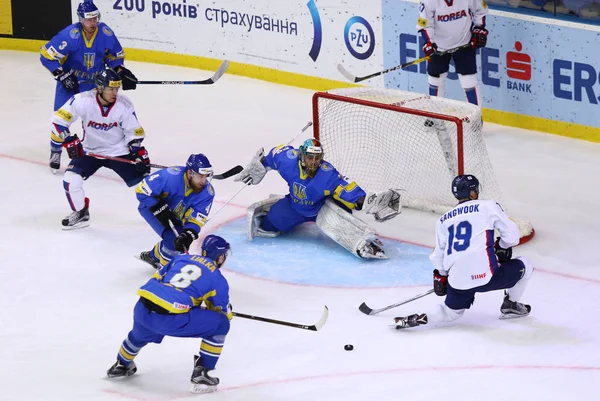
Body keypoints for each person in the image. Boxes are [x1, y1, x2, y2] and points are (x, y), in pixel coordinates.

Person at [393, 174, 534, 329]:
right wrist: (502, 246)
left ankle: (416, 318)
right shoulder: (487, 206)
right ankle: (510, 306)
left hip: (458, 281)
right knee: (525, 265)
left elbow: (437, 255)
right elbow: (512, 236)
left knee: (450, 313)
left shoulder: (443, 219)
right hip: (488, 277)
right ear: (472, 193)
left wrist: (442, 275)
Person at [107, 235, 232, 394]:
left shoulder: (180, 259)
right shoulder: (217, 277)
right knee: (221, 324)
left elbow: (159, 277)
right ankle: (202, 374)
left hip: (142, 308)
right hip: (170, 319)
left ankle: (121, 364)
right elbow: (219, 310)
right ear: (220, 256)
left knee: (138, 335)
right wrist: (226, 311)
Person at [235, 139, 402, 259]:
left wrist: (371, 203)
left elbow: (351, 192)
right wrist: (259, 166)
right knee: (266, 228)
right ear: (301, 156)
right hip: (294, 207)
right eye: (310, 157)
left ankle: (359, 238)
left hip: (322, 209)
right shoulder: (287, 160)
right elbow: (272, 155)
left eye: (317, 158)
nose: (314, 162)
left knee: (344, 217)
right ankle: (276, 209)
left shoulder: (328, 174)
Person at [41, 0, 138, 173]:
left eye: (95, 18)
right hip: (70, 83)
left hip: (95, 84)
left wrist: (121, 70)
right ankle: (55, 151)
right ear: (80, 19)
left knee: (95, 118)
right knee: (60, 119)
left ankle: (91, 149)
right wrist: (60, 74)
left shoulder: (105, 33)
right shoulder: (69, 36)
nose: (93, 23)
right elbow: (46, 56)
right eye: (89, 19)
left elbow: (113, 56)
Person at [51, 68, 150, 230]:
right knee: (71, 180)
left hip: (120, 152)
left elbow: (133, 132)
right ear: (99, 88)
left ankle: (163, 213)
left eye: (116, 89)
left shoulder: (123, 105)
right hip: (91, 152)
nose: (115, 93)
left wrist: (138, 153)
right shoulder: (82, 100)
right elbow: (58, 121)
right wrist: (68, 139)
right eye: (111, 88)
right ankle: (81, 213)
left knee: (147, 186)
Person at [135, 153, 215, 270]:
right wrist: (159, 208)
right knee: (173, 240)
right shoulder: (169, 176)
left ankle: (153, 256)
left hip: (177, 215)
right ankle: (165, 273)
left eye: (206, 176)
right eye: (200, 176)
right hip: (151, 208)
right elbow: (141, 190)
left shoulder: (207, 192)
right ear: (189, 173)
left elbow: (197, 219)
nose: (204, 181)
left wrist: (189, 234)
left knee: (180, 241)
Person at [417, 0, 488, 106]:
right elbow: (425, 24)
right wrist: (428, 43)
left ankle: (475, 119)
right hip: (439, 46)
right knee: (435, 80)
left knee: (469, 80)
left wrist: (479, 28)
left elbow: (480, 10)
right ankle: (436, 119)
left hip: (464, 43)